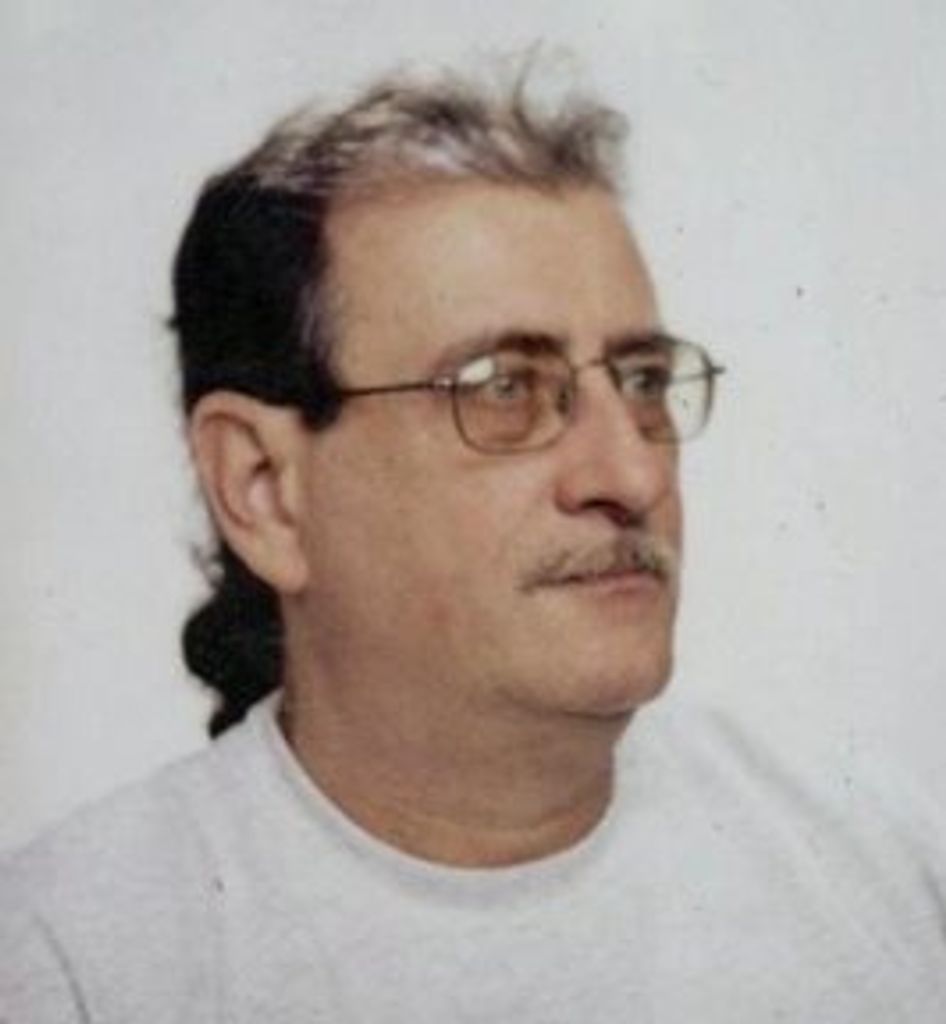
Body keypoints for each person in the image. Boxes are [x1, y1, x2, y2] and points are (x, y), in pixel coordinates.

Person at [2, 63, 945, 1023]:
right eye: (504, 390)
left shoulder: (876, 868)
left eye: (644, 381)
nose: (631, 475)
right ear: (265, 491)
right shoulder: (69, 965)